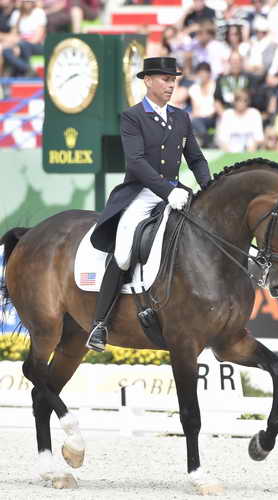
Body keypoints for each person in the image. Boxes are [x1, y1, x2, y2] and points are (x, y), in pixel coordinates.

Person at [86, 57, 211, 352]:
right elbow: (137, 163)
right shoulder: (133, 116)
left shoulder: (181, 117)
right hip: (142, 193)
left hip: (177, 191)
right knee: (125, 252)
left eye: (173, 80)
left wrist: (208, 187)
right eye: (166, 80)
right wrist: (168, 192)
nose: (171, 85)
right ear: (148, 81)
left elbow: (195, 158)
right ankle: (100, 325)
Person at [3, 0, 46, 77]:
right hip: (20, 44)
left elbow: (36, 39)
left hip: (37, 46)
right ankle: (27, 69)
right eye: (25, 1)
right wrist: (15, 45)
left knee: (24, 45)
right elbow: (13, 35)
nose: (27, 3)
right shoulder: (17, 14)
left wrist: (19, 45)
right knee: (6, 51)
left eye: (29, 1)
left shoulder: (39, 13)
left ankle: (26, 72)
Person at [188, 61, 216, 147]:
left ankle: (206, 141)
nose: (202, 76)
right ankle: (206, 140)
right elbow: (195, 109)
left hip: (213, 117)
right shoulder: (194, 89)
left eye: (204, 73)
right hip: (200, 118)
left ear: (209, 74)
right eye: (200, 74)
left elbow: (216, 105)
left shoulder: (215, 86)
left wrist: (210, 114)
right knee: (193, 120)